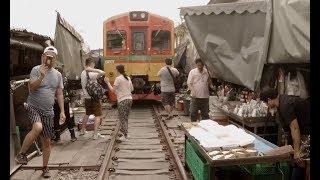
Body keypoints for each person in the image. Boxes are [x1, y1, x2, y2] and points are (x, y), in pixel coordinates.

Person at [15, 46, 66, 178]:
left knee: (47, 142)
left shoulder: (58, 74)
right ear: (43, 57)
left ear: (55, 59)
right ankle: (21, 154)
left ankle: (45, 167)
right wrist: (41, 77)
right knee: (37, 127)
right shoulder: (36, 70)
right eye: (46, 56)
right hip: (33, 106)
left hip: (48, 111)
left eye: (51, 57)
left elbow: (59, 93)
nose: (48, 59)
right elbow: (31, 87)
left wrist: (62, 111)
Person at [260, 87, 310, 180]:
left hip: (307, 132)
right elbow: (289, 130)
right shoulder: (281, 101)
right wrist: (289, 147)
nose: (266, 105)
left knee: (299, 160)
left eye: (265, 102)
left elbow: (295, 128)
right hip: (302, 130)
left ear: (269, 100)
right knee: (296, 161)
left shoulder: (285, 105)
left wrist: (297, 151)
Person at [105, 65, 133, 141]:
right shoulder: (128, 78)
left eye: (115, 69)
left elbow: (113, 90)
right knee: (126, 118)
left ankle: (124, 135)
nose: (115, 71)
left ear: (117, 70)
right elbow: (132, 89)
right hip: (129, 99)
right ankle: (126, 133)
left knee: (122, 118)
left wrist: (107, 83)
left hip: (122, 100)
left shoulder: (118, 78)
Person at [80, 57, 105, 140]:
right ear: (91, 64)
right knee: (98, 115)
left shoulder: (83, 73)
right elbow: (102, 73)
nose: (94, 66)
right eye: (93, 64)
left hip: (87, 97)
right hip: (94, 97)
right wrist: (93, 70)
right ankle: (95, 134)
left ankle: (83, 130)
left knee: (87, 113)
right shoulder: (91, 73)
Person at [52, 65, 77, 142]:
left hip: (56, 101)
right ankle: (73, 136)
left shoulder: (54, 80)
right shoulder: (65, 79)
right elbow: (69, 90)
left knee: (56, 118)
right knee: (68, 117)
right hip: (65, 100)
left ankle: (57, 137)